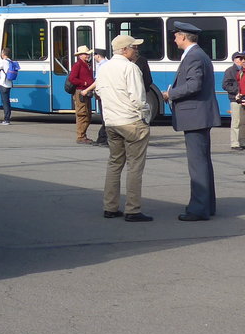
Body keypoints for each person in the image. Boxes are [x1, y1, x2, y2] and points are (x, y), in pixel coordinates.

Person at [162, 21, 219, 221]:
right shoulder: (198, 55)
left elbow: (194, 85)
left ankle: (198, 209)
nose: (174, 38)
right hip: (199, 115)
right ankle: (207, 205)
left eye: (176, 35)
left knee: (197, 164)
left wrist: (170, 94)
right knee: (202, 162)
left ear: (184, 37)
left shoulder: (193, 56)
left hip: (195, 116)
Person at [95, 34, 152, 222]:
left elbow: (99, 91)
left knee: (114, 163)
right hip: (131, 121)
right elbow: (138, 98)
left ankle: (109, 207)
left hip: (111, 121)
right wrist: (145, 115)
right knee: (135, 166)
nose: (137, 50)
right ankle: (133, 209)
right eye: (134, 47)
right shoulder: (131, 68)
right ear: (125, 50)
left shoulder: (104, 68)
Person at [67, 45, 96, 144]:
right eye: (86, 54)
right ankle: (81, 136)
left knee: (87, 114)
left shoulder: (86, 64)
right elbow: (72, 78)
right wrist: (84, 83)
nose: (88, 55)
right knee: (82, 114)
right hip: (81, 92)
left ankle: (83, 135)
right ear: (80, 55)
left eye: (88, 54)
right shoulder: (78, 65)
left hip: (86, 92)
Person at [223, 51, 245, 151]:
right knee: (236, 121)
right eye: (240, 59)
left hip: (243, 98)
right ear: (234, 60)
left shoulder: (243, 71)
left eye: (243, 59)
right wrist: (237, 92)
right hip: (235, 99)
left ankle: (242, 141)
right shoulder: (230, 71)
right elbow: (225, 85)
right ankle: (235, 143)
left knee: (243, 122)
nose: (242, 61)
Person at [88, 48, 109, 146]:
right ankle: (102, 138)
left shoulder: (103, 66)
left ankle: (104, 139)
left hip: (104, 95)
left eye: (94, 55)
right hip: (103, 94)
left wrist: (87, 90)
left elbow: (98, 82)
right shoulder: (103, 65)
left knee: (105, 117)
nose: (93, 57)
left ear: (98, 55)